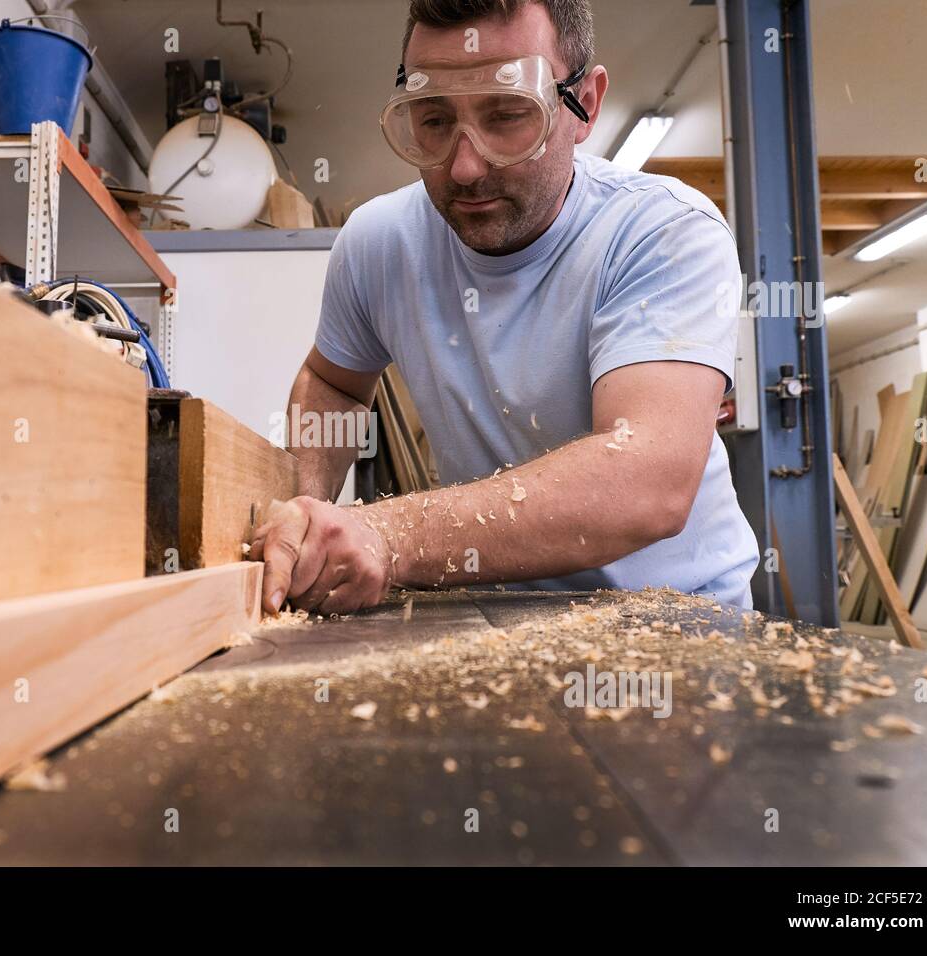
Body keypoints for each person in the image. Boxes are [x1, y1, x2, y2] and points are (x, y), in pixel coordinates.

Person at [249, 0, 759, 615]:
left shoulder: (664, 230)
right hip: (494, 610)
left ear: (585, 105)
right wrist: (309, 517)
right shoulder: (378, 242)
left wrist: (388, 533)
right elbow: (333, 382)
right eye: (434, 121)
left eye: (509, 115)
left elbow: (648, 480)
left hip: (677, 620)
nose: (465, 167)